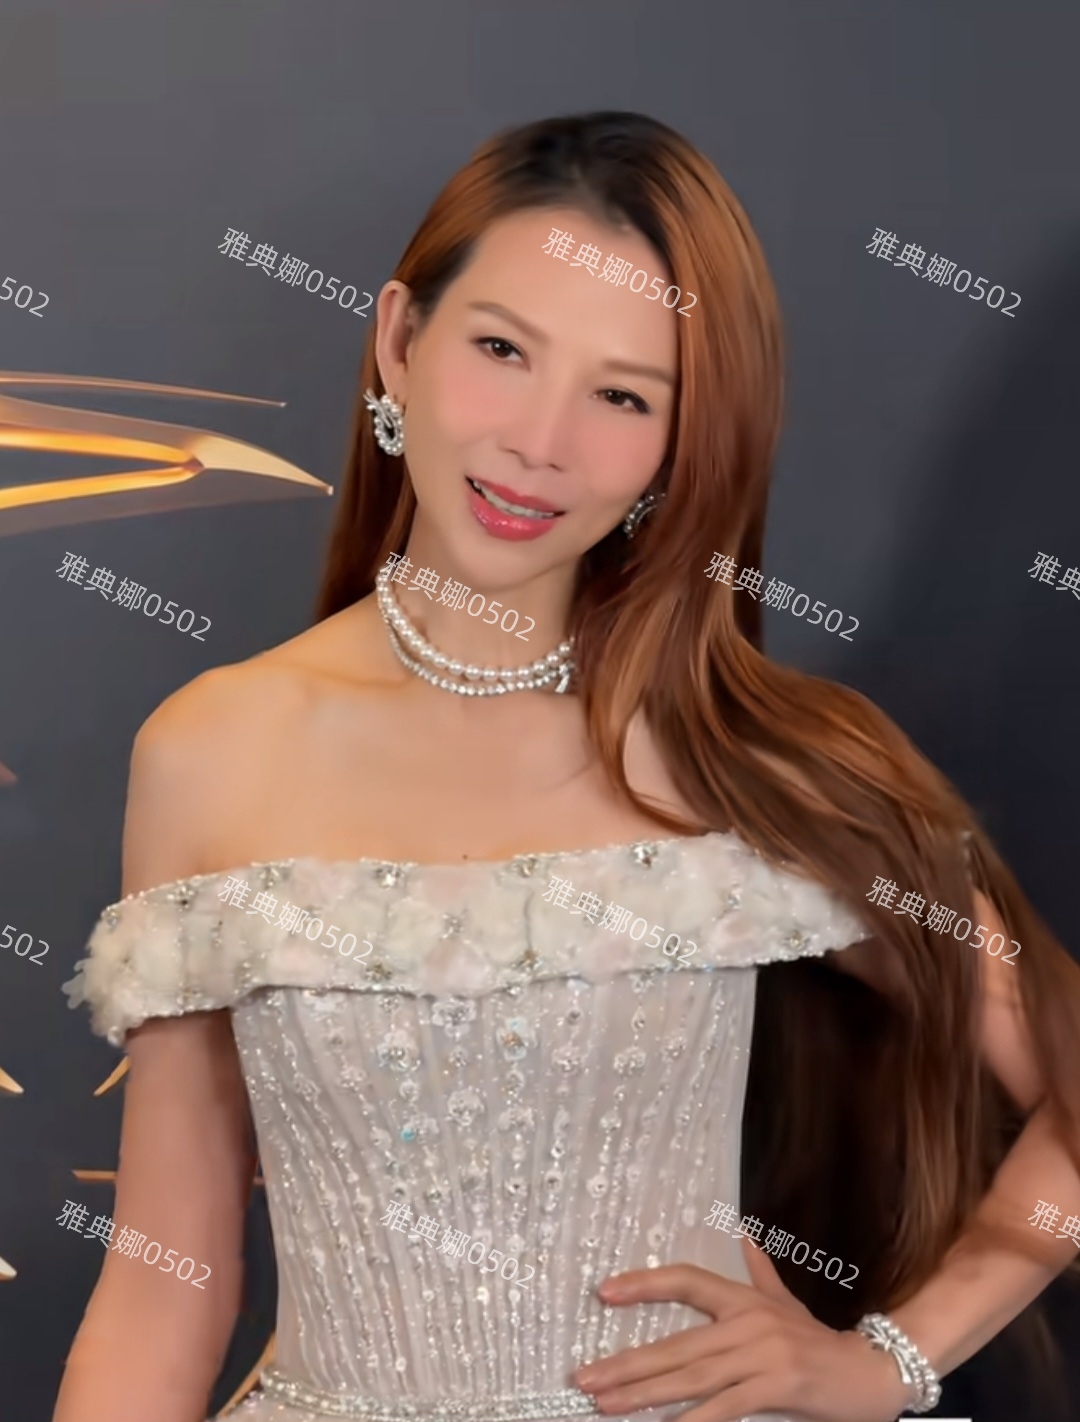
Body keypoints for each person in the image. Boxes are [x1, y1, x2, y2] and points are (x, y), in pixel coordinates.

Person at [55, 111, 1080, 1422]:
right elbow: (164, 1286)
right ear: (399, 343)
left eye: (622, 395)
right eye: (501, 350)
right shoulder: (211, 749)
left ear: (680, 444)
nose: (542, 441)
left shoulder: (745, 760)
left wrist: (890, 1361)